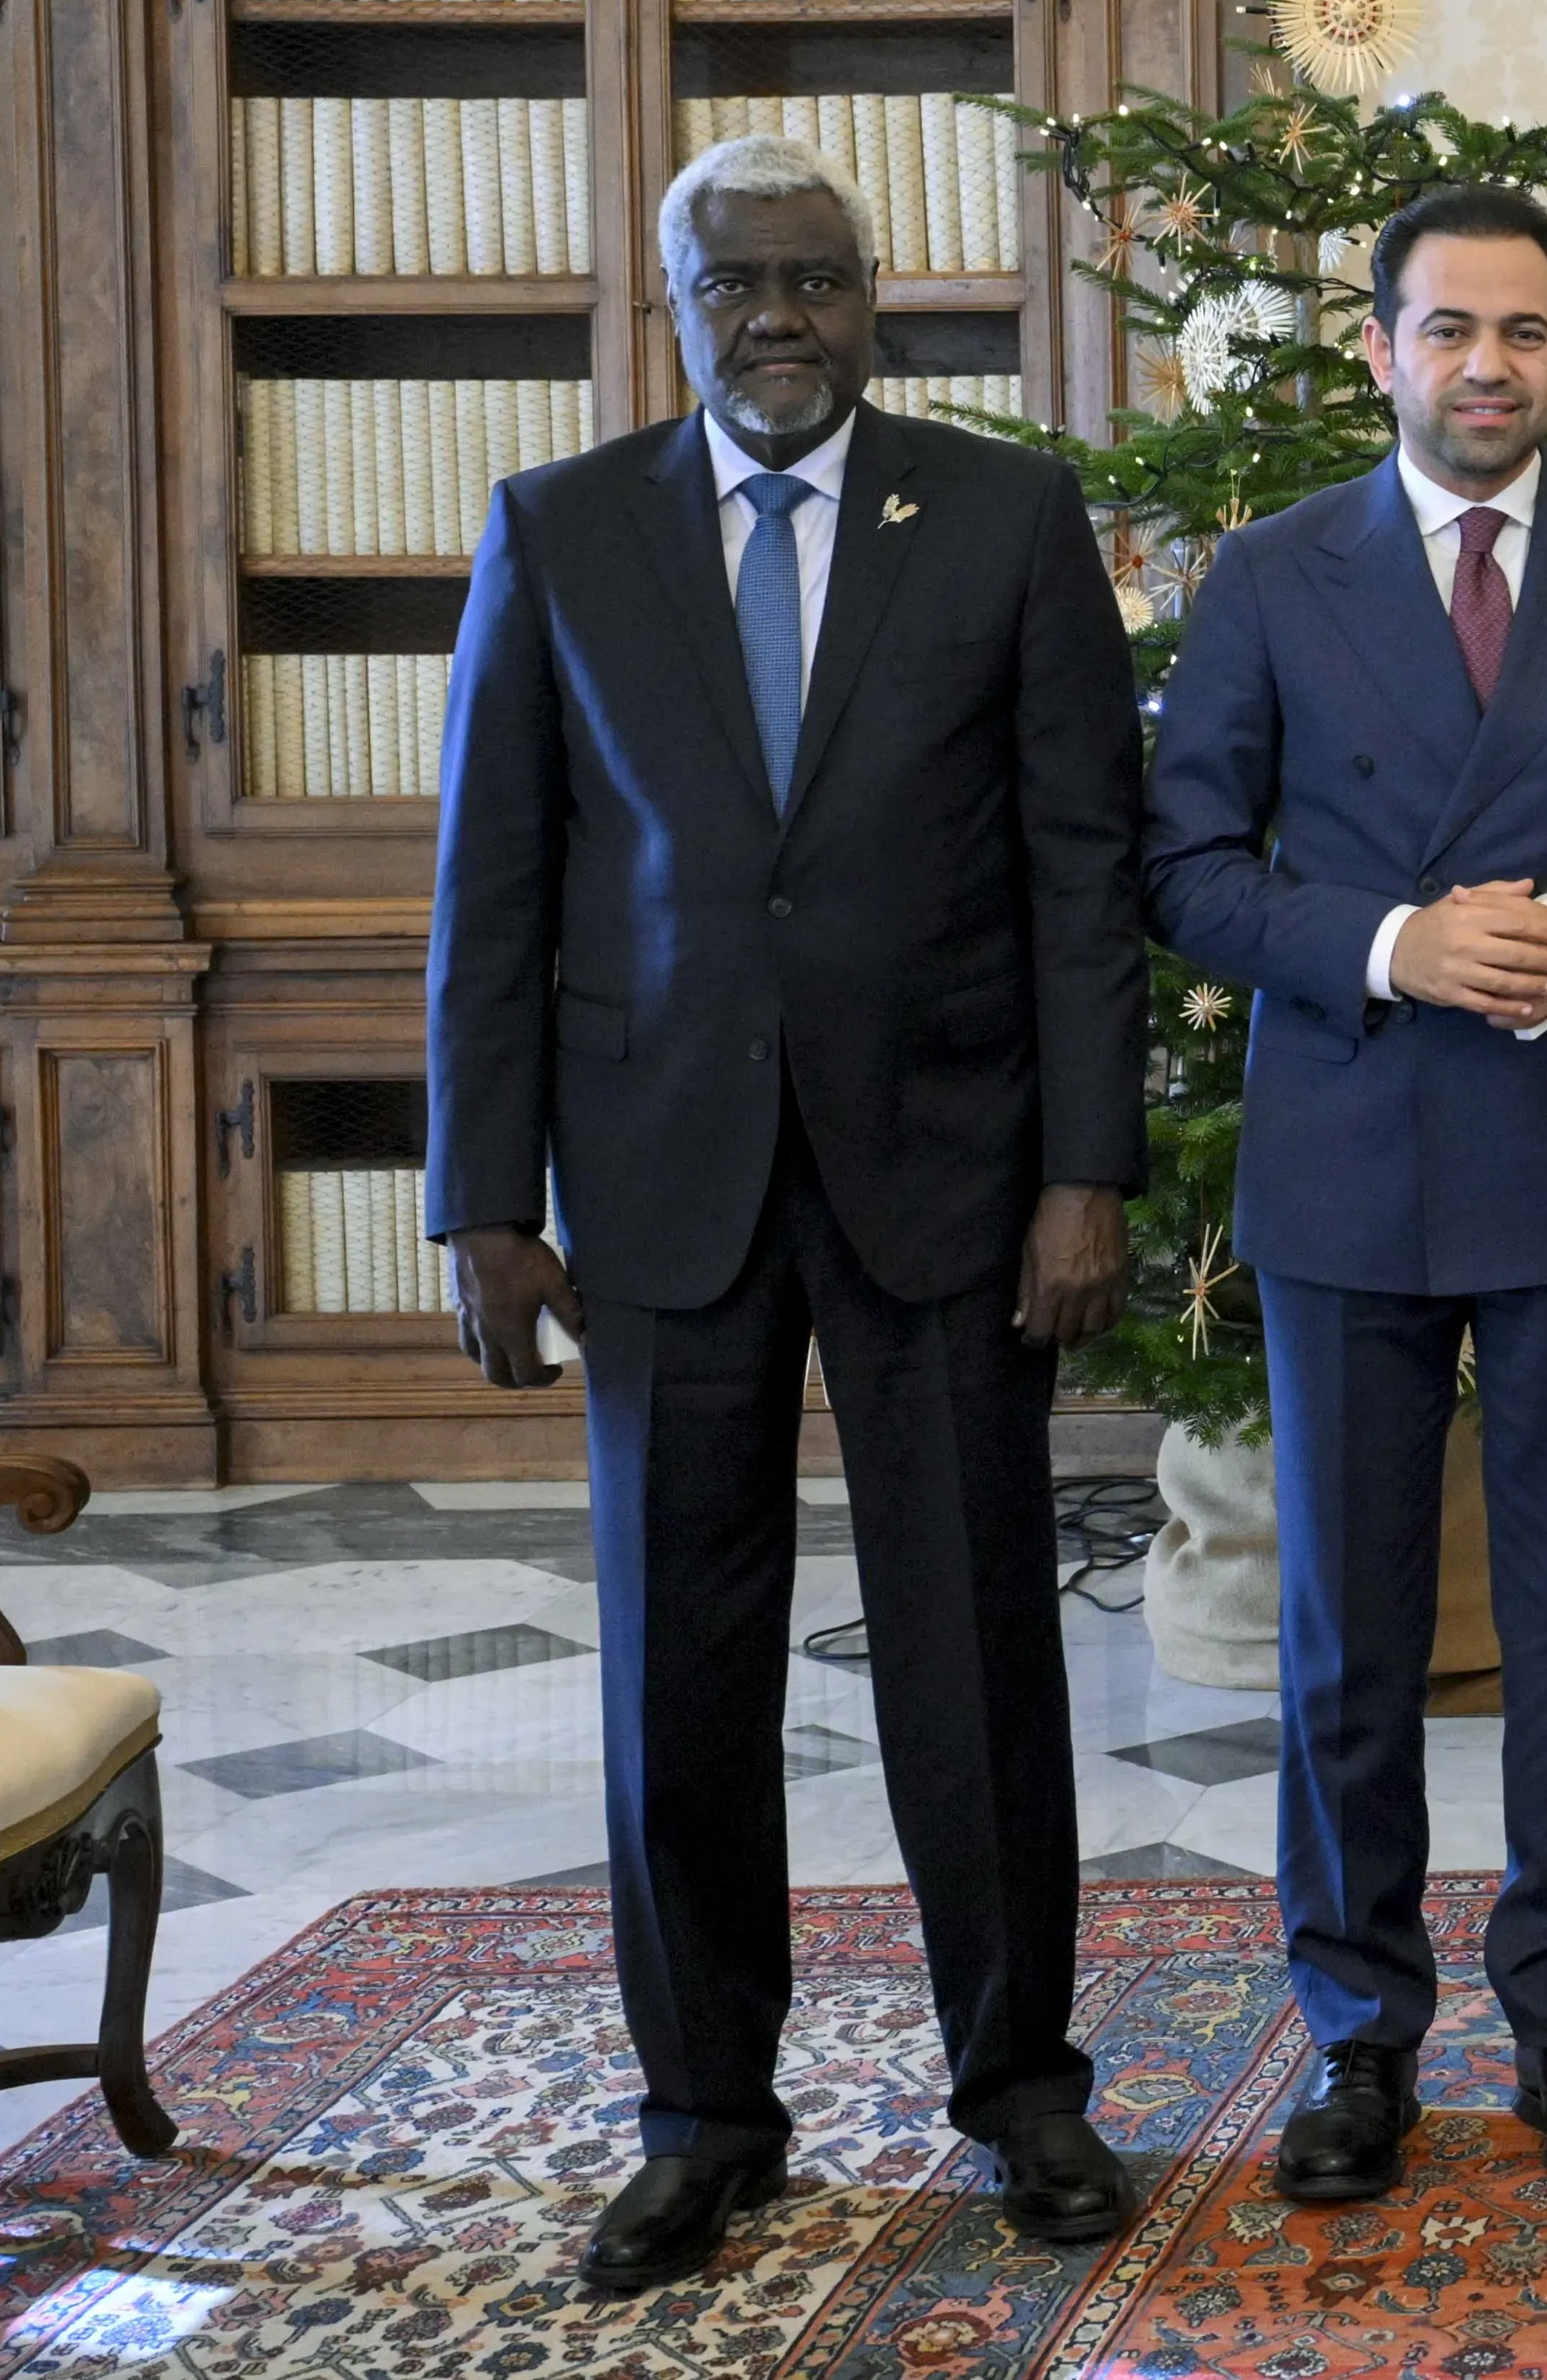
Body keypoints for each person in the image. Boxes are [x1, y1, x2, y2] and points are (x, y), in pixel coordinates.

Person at [423, 134, 1142, 2294]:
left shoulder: (1003, 516)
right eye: (733, 285)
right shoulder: (560, 530)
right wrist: (482, 1196)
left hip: (950, 1172)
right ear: (675, 306)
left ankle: (1021, 2090)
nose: (778, 319)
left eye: (814, 278)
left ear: (872, 296)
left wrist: (1084, 1173)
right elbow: (495, 886)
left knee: (977, 1654)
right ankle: (705, 2118)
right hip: (658, 1183)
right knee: (681, 1668)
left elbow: (1080, 872)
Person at [1143, 183, 1547, 2202]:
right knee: (1348, 1633)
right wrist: (1391, 941)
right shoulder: (1272, 570)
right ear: (1381, 349)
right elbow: (1184, 865)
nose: (1485, 365)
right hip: (1351, 1150)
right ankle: (1356, 2033)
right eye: (1447, 328)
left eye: (1522, 330)